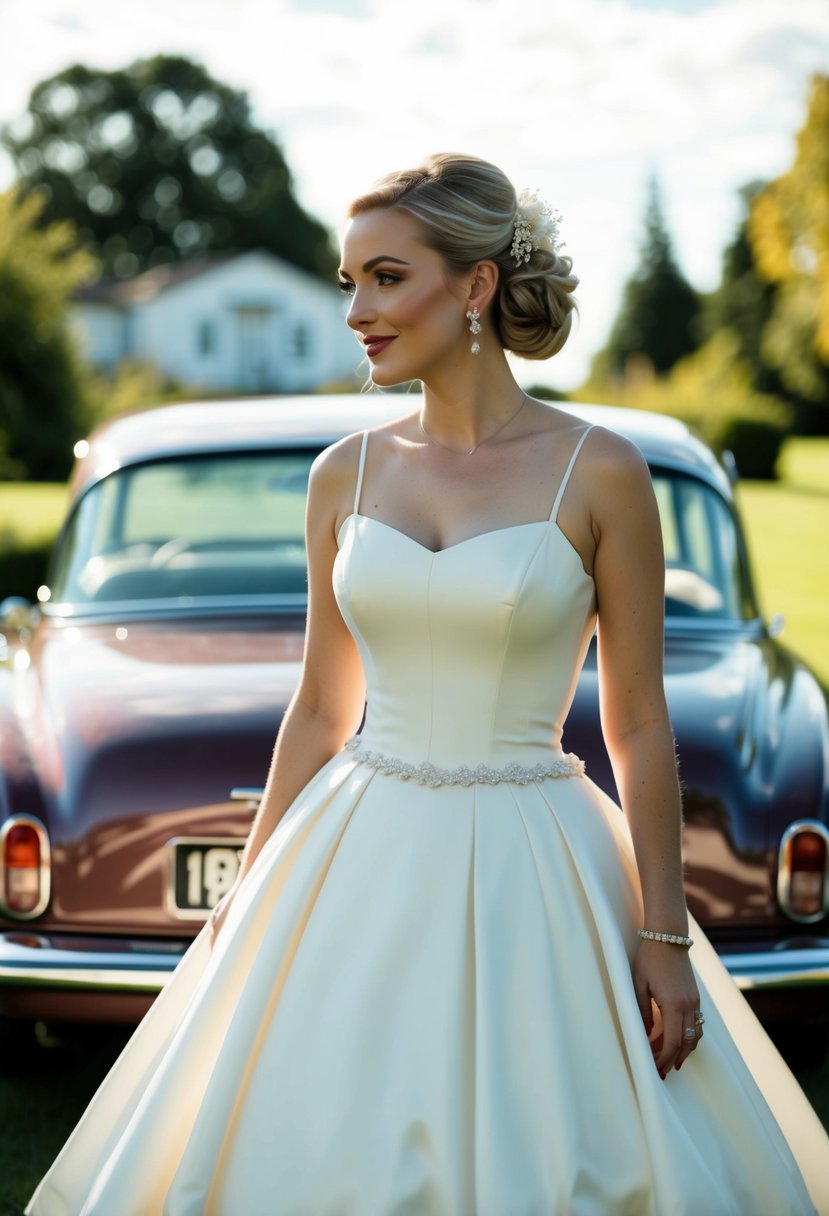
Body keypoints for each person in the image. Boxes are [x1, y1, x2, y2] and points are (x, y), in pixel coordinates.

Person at [27, 154, 829, 1216]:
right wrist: (248, 900)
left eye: (386, 278)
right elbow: (320, 703)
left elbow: (637, 721)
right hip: (356, 845)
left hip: (537, 856)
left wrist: (665, 932)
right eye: (350, 279)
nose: (357, 309)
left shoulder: (600, 470)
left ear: (475, 287)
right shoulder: (341, 475)